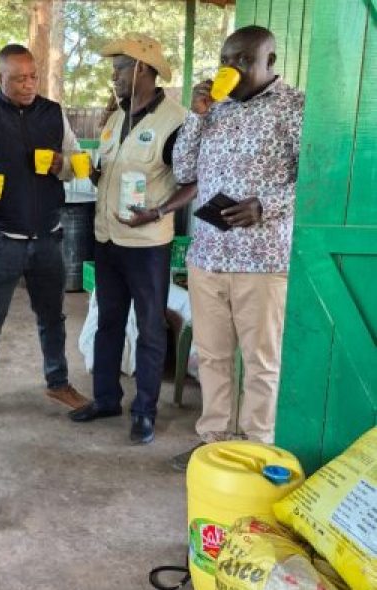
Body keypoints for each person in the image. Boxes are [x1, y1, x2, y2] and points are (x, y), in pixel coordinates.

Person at [171, 26, 304, 469]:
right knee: (211, 355)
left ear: (270, 60)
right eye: (228, 59)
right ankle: (213, 440)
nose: (233, 68)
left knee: (261, 361)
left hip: (261, 260)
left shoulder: (296, 107)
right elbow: (184, 171)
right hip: (208, 256)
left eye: (244, 59)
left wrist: (265, 205)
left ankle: (255, 448)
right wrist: (196, 115)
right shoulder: (216, 109)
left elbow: (318, 183)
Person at [0, 44, 88, 418]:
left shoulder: (53, 113)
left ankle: (58, 384)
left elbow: (77, 165)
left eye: (33, 76)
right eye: (19, 78)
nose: (29, 85)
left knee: (52, 317)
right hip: (0, 238)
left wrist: (62, 165)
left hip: (47, 236)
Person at [68, 35, 197, 445]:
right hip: (107, 239)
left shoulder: (176, 122)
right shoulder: (115, 118)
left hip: (147, 246)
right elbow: (110, 168)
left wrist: (159, 212)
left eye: (119, 69)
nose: (113, 77)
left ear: (142, 69)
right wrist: (93, 173)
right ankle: (106, 398)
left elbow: (194, 182)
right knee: (107, 322)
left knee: (149, 327)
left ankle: (144, 411)